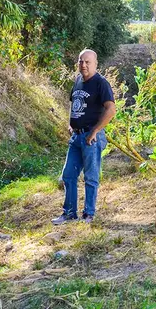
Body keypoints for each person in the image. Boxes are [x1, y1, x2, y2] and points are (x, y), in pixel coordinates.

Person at [52, 49, 117, 224]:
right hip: (76, 137)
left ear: (95, 64)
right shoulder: (78, 81)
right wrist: (70, 123)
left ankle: (89, 214)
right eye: (81, 61)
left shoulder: (100, 83)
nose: (84, 65)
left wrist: (95, 131)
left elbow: (111, 110)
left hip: (91, 137)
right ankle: (69, 213)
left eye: (88, 62)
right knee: (68, 175)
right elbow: (74, 105)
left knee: (91, 176)